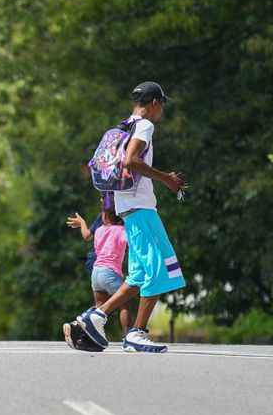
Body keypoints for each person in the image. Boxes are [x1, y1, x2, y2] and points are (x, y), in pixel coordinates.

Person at [68, 81, 186, 353]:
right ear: (155, 102)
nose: (162, 111)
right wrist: (166, 179)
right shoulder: (145, 126)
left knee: (139, 274)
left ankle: (96, 316)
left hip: (127, 209)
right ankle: (137, 333)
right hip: (142, 210)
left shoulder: (123, 126)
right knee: (160, 269)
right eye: (162, 105)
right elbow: (130, 161)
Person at [66, 196, 132, 335]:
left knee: (99, 308)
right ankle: (128, 335)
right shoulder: (122, 231)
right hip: (111, 273)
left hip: (96, 273)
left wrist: (82, 223)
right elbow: (131, 243)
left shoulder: (100, 230)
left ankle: (83, 329)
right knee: (124, 304)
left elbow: (89, 238)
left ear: (106, 216)